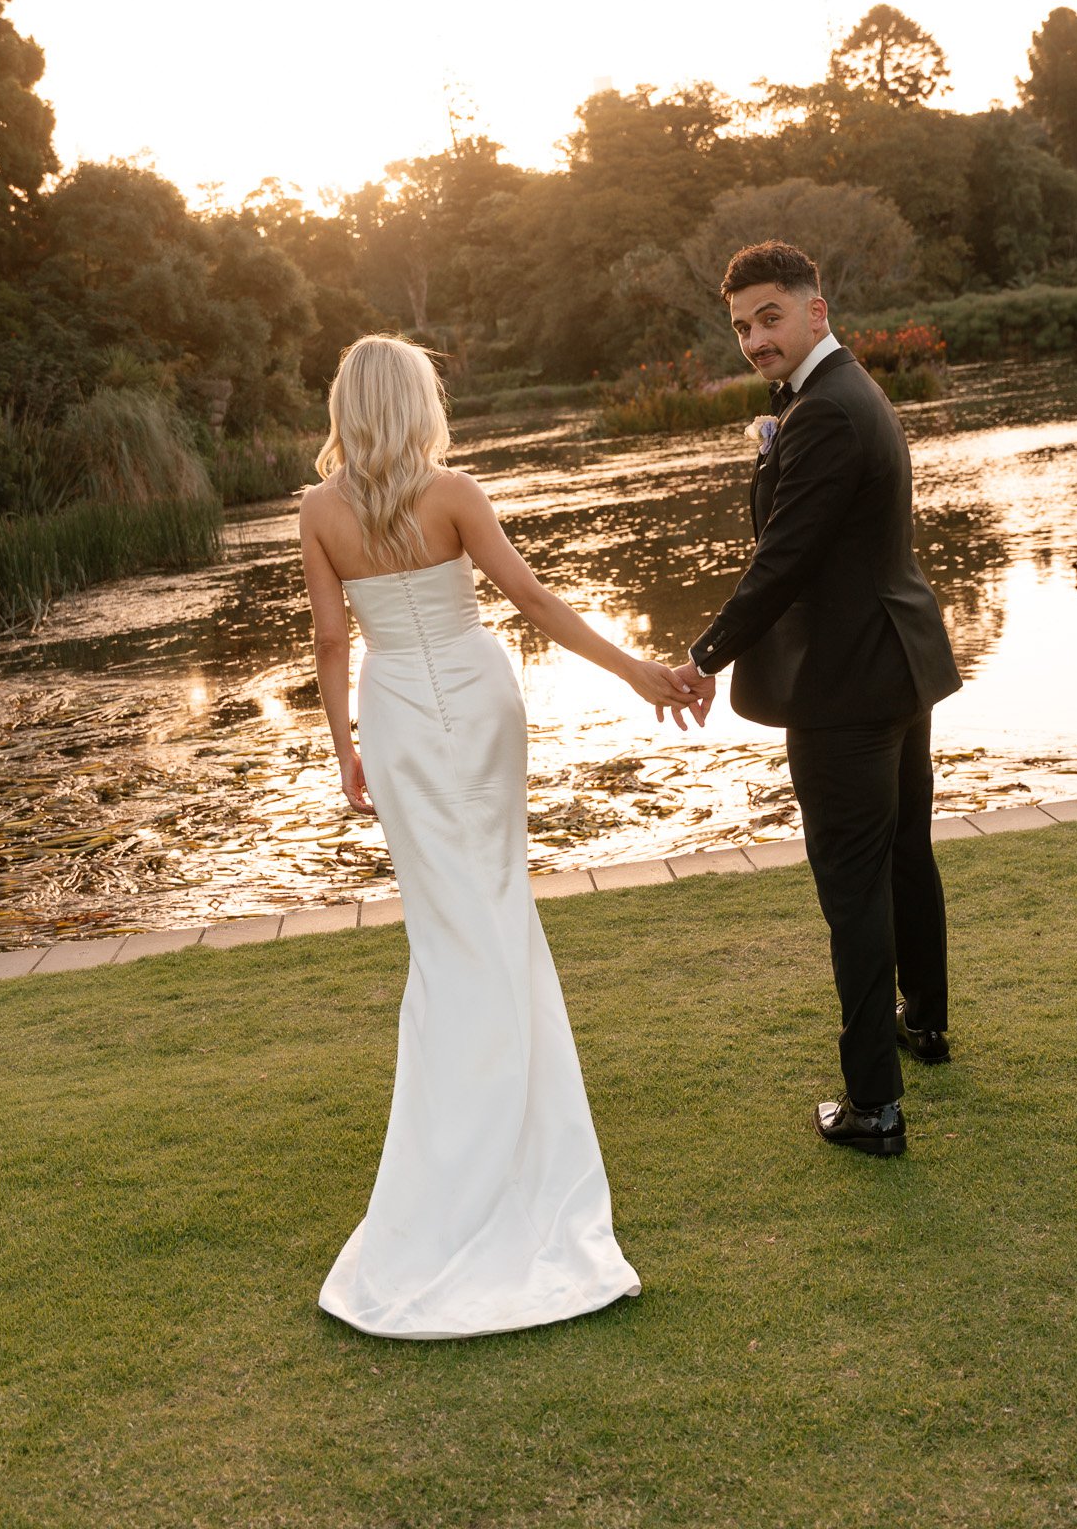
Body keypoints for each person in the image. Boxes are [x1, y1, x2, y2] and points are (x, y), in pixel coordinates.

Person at [299, 333, 695, 1338]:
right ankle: (514, 1121)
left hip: (392, 707)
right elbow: (532, 599)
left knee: (449, 926)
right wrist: (639, 670)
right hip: (476, 700)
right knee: (493, 905)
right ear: (418, 401)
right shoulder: (453, 492)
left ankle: (471, 1131)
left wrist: (346, 745)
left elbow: (331, 639)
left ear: (347, 407)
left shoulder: (319, 511)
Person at [665, 241, 962, 1158]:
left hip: (845, 682)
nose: (755, 339)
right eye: (742, 327)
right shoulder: (841, 392)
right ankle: (924, 1023)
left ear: (815, 311)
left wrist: (705, 653)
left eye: (769, 318)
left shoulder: (826, 411)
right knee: (903, 852)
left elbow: (783, 557)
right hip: (893, 662)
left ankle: (873, 1105)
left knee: (851, 885)